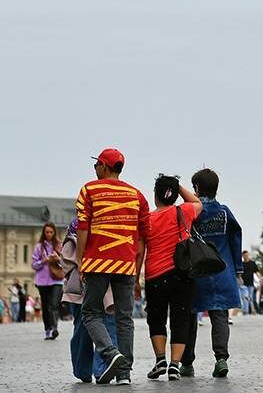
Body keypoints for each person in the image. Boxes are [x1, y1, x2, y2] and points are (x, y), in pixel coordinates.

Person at [76, 147, 151, 385]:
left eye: (96, 164)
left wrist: (80, 262)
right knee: (125, 318)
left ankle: (110, 353)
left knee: (90, 312)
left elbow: (83, 229)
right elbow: (141, 240)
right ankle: (124, 374)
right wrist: (136, 270)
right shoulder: (137, 195)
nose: (95, 169)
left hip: (97, 262)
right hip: (126, 264)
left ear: (104, 166)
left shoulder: (89, 190)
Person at [181, 167, 242, 378]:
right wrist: (238, 268)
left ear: (196, 188)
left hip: (197, 273)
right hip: (222, 271)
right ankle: (221, 359)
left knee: (190, 317)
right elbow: (236, 237)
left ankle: (187, 362)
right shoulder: (224, 212)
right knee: (220, 317)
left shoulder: (191, 212)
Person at [142, 174, 204, 381]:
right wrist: (178, 187)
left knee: (156, 318)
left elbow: (139, 251)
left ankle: (160, 359)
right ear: (175, 194)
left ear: (155, 195)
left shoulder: (147, 220)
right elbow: (197, 202)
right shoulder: (183, 211)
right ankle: (175, 366)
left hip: (155, 275)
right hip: (181, 274)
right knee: (181, 318)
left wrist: (135, 279)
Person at [61, 217, 119, 383]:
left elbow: (65, 256)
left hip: (83, 285)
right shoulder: (102, 224)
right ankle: (100, 368)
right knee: (105, 326)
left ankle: (85, 370)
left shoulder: (75, 225)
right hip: (95, 284)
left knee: (83, 328)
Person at [31, 222, 65, 340]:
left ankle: (54, 328)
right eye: (47, 232)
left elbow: (66, 263)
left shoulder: (59, 245)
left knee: (54, 305)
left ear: (54, 232)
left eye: (51, 232)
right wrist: (43, 261)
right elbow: (34, 265)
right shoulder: (39, 247)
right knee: (46, 306)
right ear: (44, 233)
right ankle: (48, 329)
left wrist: (58, 259)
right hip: (43, 281)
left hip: (56, 280)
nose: (49, 234)